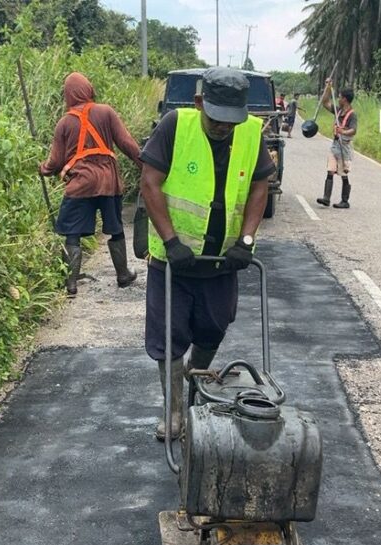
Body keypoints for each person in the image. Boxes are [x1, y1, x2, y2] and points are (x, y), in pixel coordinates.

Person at [139, 67, 275, 441]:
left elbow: (259, 188)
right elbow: (150, 183)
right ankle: (174, 413)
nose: (223, 127)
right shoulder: (175, 126)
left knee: (213, 328)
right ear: (200, 103)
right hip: (174, 261)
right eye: (216, 119)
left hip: (221, 263)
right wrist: (171, 241)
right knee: (168, 338)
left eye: (231, 121)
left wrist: (246, 241)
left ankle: (195, 385)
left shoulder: (251, 133)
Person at [40, 72, 143, 296]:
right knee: (115, 229)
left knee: (72, 233)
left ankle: (71, 283)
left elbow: (55, 162)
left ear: (68, 95)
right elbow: (127, 143)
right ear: (89, 90)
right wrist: (145, 166)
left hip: (80, 184)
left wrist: (43, 169)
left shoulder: (64, 122)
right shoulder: (106, 112)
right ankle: (123, 274)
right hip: (108, 182)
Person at [315, 79, 356, 209]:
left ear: (344, 99)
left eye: (340, 97)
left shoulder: (352, 115)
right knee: (330, 170)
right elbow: (325, 102)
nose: (338, 99)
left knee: (343, 173)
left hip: (345, 146)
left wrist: (343, 131)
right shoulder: (338, 111)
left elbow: (353, 130)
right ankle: (326, 198)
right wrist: (328, 87)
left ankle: (345, 200)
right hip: (335, 145)